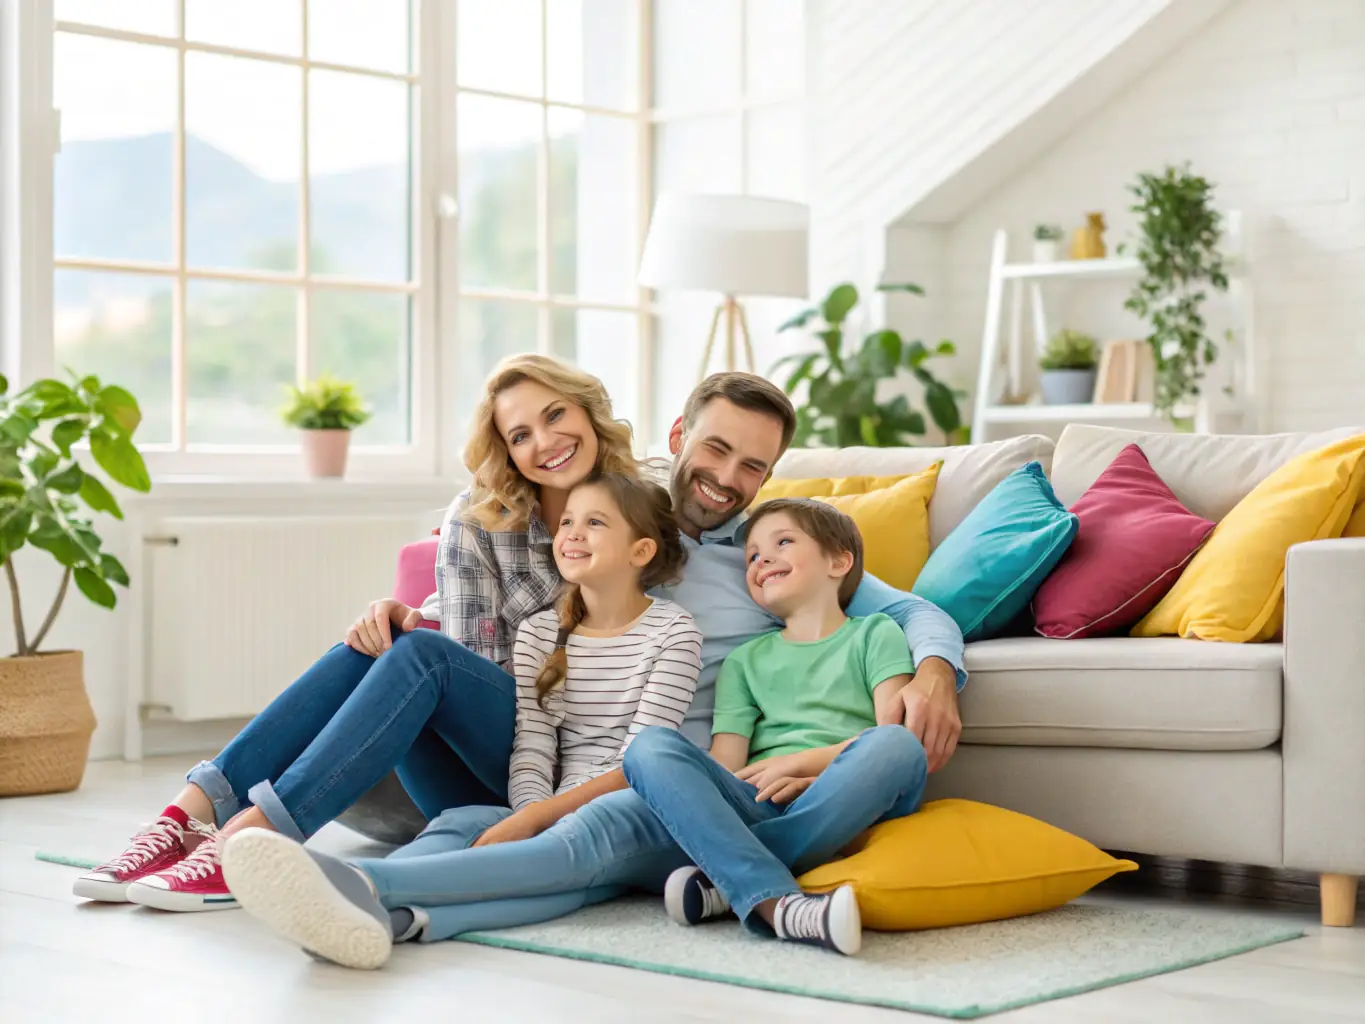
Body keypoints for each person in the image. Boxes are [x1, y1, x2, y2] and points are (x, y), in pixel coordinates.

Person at [209, 372, 967, 966]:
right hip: (576, 758)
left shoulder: (768, 557)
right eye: (714, 449)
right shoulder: (612, 516)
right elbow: (514, 594)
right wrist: (423, 611)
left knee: (547, 834)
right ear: (678, 437)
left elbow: (905, 612)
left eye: (752, 465)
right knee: (437, 714)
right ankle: (234, 826)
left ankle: (377, 898)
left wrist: (933, 671)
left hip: (668, 775)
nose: (726, 477)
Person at [73, 353, 640, 910]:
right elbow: (474, 668)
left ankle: (251, 839)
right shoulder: (479, 519)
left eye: (556, 415)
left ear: (589, 412)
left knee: (420, 653)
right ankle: (183, 819)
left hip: (572, 773)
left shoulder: (645, 508)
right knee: (386, 641)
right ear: (507, 453)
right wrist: (415, 623)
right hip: (485, 768)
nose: (544, 441)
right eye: (520, 435)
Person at [221, 471, 703, 968]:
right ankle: (387, 920)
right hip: (550, 805)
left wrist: (537, 821)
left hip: (630, 806)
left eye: (595, 522)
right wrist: (527, 812)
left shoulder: (673, 633)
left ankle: (359, 881)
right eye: (567, 522)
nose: (572, 534)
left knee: (571, 848)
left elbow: (642, 764)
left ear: (641, 552)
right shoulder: (540, 632)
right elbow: (533, 746)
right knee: (462, 822)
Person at [623, 498, 929, 957]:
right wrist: (714, 788)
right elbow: (728, 764)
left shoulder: (876, 633)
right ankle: (780, 905)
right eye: (752, 557)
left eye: (783, 542)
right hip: (763, 800)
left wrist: (806, 767)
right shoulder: (744, 661)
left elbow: (892, 732)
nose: (762, 559)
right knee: (648, 747)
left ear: (838, 561)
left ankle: (731, 879)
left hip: (845, 793)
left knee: (897, 747)